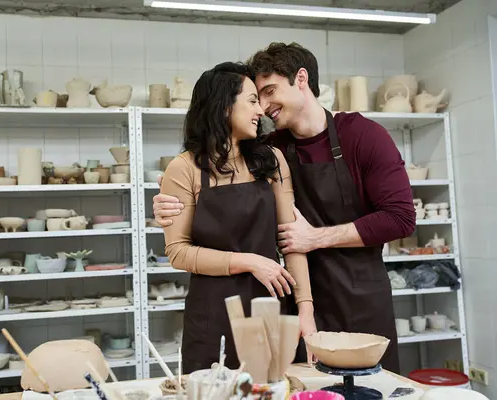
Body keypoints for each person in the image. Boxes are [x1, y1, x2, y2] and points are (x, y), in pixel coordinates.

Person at [153, 43, 416, 374]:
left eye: (268, 92)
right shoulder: (269, 148)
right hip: (269, 298)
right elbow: (187, 232)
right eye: (255, 98)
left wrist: (314, 243)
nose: (262, 107)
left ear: (301, 79)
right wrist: (168, 202)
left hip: (354, 293)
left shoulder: (359, 137)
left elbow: (400, 218)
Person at [159, 61, 316, 374]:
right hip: (212, 314)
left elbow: (291, 240)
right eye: (252, 100)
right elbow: (178, 252)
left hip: (269, 308)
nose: (261, 110)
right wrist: (250, 261)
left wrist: (306, 310)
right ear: (223, 106)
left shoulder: (271, 160)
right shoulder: (184, 168)